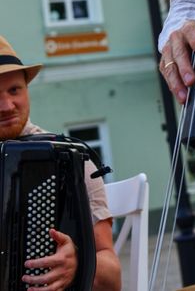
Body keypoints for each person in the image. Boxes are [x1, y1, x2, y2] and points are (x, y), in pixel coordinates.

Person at [0, 36, 121, 291]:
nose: (7, 106)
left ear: (27, 90)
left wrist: (80, 263)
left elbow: (113, 279)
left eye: (14, 90)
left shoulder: (70, 159)